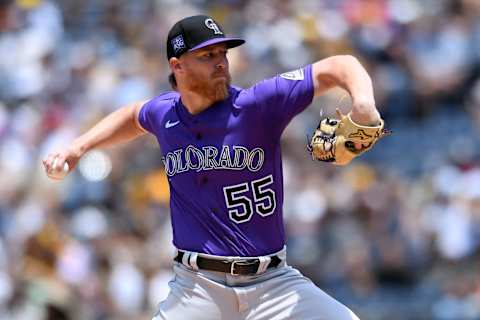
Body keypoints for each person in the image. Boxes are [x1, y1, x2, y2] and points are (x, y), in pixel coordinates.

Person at [43, 15, 381, 320]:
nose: (221, 63)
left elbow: (339, 65)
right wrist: (78, 147)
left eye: (223, 54)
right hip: (197, 289)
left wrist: (363, 103)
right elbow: (134, 116)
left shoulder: (257, 105)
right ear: (178, 66)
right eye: (207, 56)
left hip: (274, 284)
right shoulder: (165, 114)